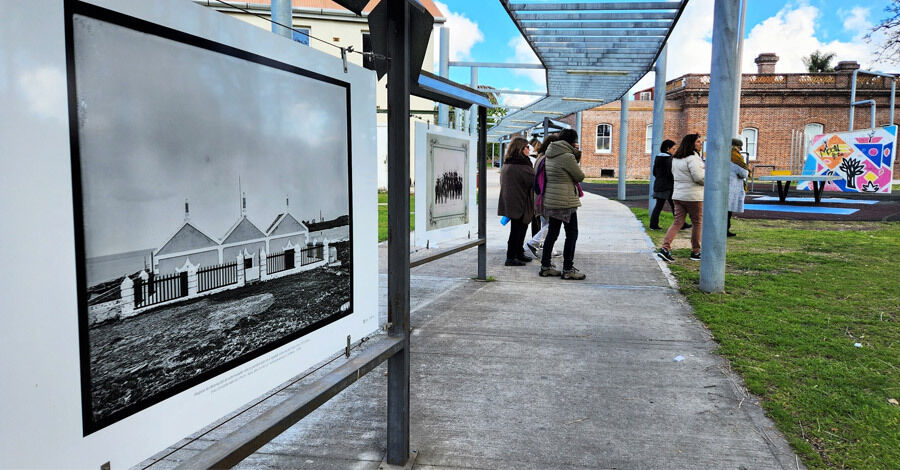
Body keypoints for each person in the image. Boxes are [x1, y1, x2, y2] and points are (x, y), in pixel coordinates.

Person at [539, 128, 586, 280]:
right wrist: (577, 153)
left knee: (552, 233)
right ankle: (568, 269)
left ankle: (545, 267)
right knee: (572, 234)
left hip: (552, 200)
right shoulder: (567, 156)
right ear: (572, 142)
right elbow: (579, 176)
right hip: (565, 201)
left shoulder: (550, 154)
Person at [657, 133, 705, 262]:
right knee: (697, 223)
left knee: (677, 222)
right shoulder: (693, 158)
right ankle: (696, 251)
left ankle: (665, 248)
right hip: (693, 196)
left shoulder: (676, 158)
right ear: (691, 144)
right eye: (698, 142)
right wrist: (709, 180)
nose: (701, 144)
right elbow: (699, 177)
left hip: (678, 195)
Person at [497, 137, 536, 266]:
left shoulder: (509, 162)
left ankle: (518, 253)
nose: (529, 149)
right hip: (519, 202)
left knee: (520, 228)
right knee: (517, 230)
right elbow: (533, 181)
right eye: (526, 147)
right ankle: (510, 257)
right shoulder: (521, 165)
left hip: (513, 201)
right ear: (520, 149)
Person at [524, 134, 560, 257]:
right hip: (545, 196)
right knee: (553, 223)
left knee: (546, 223)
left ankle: (551, 249)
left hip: (538, 195)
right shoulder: (547, 159)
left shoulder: (540, 157)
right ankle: (534, 242)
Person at [648, 139, 676, 230]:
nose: (674, 151)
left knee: (660, 206)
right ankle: (680, 223)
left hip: (659, 183)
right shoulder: (669, 159)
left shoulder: (658, 157)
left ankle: (653, 224)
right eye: (673, 149)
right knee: (674, 205)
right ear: (668, 148)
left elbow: (654, 172)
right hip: (667, 185)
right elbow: (671, 172)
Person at [728, 137, 749, 237]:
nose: (740, 150)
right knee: (728, 211)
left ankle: (724, 229)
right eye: (740, 148)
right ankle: (725, 230)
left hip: (724, 185)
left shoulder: (722, 154)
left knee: (724, 211)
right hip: (732, 186)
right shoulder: (736, 157)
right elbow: (744, 173)